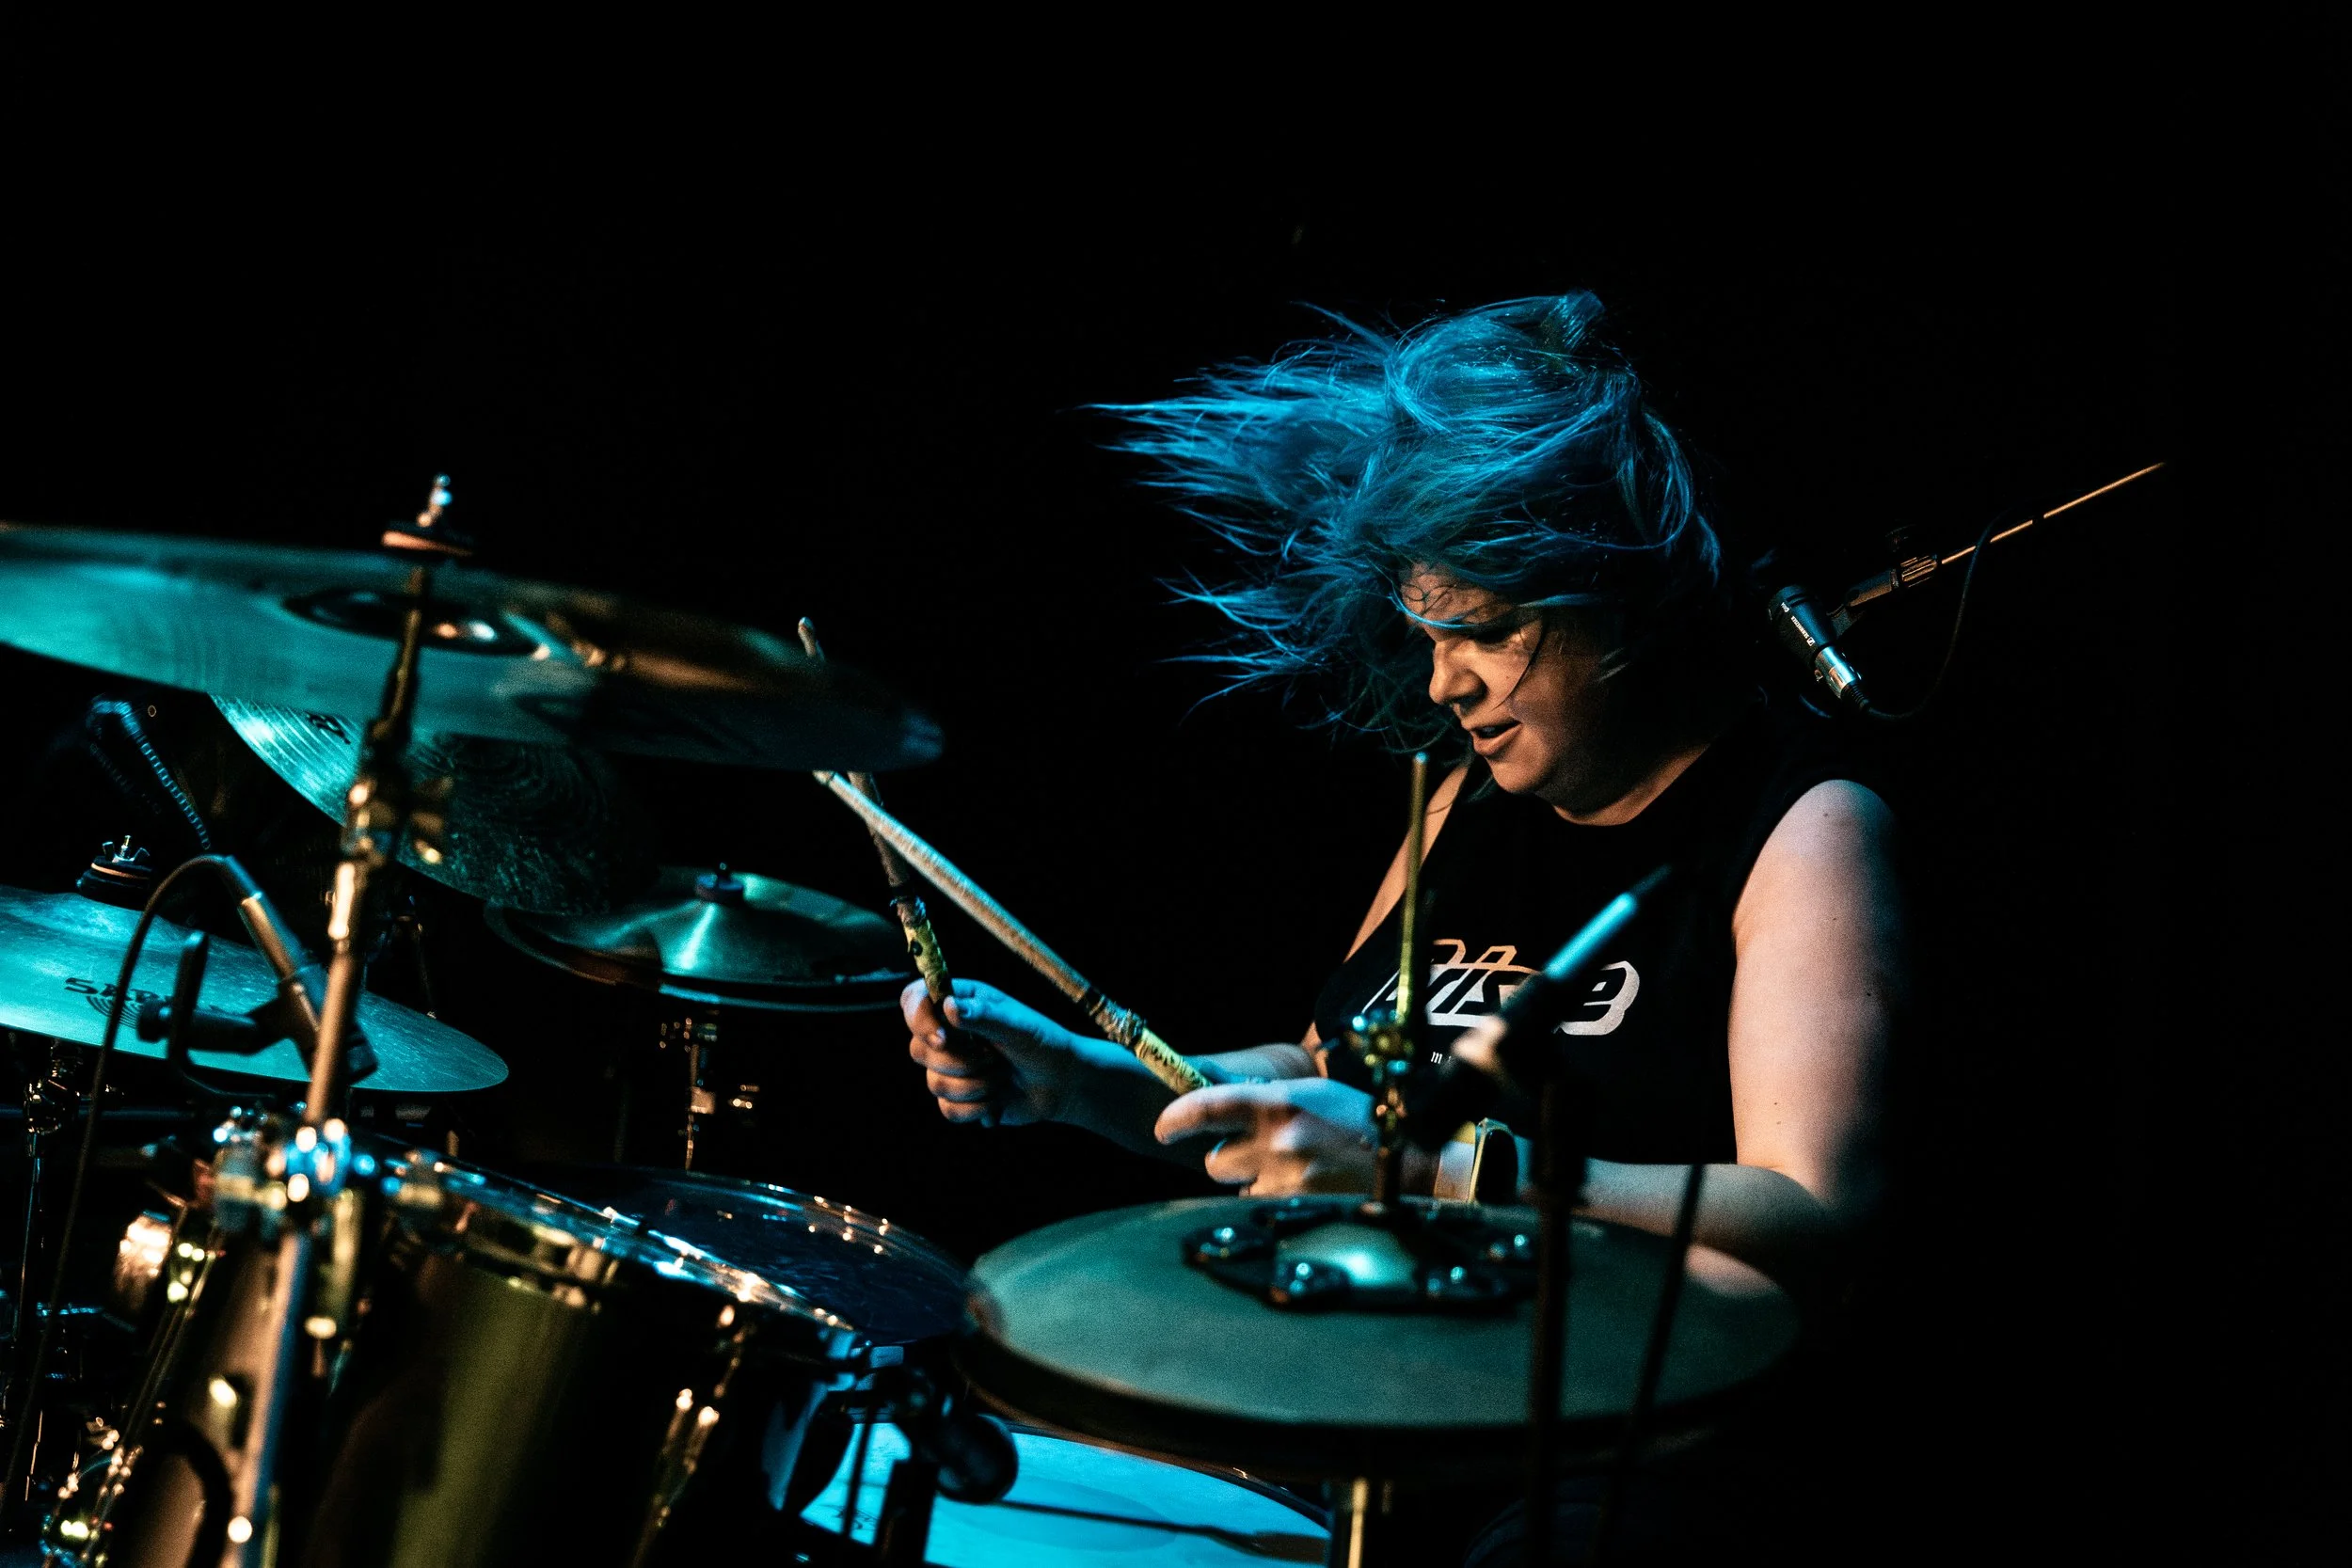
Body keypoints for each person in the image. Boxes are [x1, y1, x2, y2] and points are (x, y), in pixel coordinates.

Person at [901, 293, 1904, 1560]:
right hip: (1384, 1386)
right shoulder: (1464, 804)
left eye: (1485, 631)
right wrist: (1081, 1078)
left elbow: (1814, 1216)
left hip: (1619, 1460)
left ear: (1616, 593)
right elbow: (1331, 1074)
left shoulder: (1799, 822)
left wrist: (1436, 1171)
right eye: (1429, 634)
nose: (1443, 681)